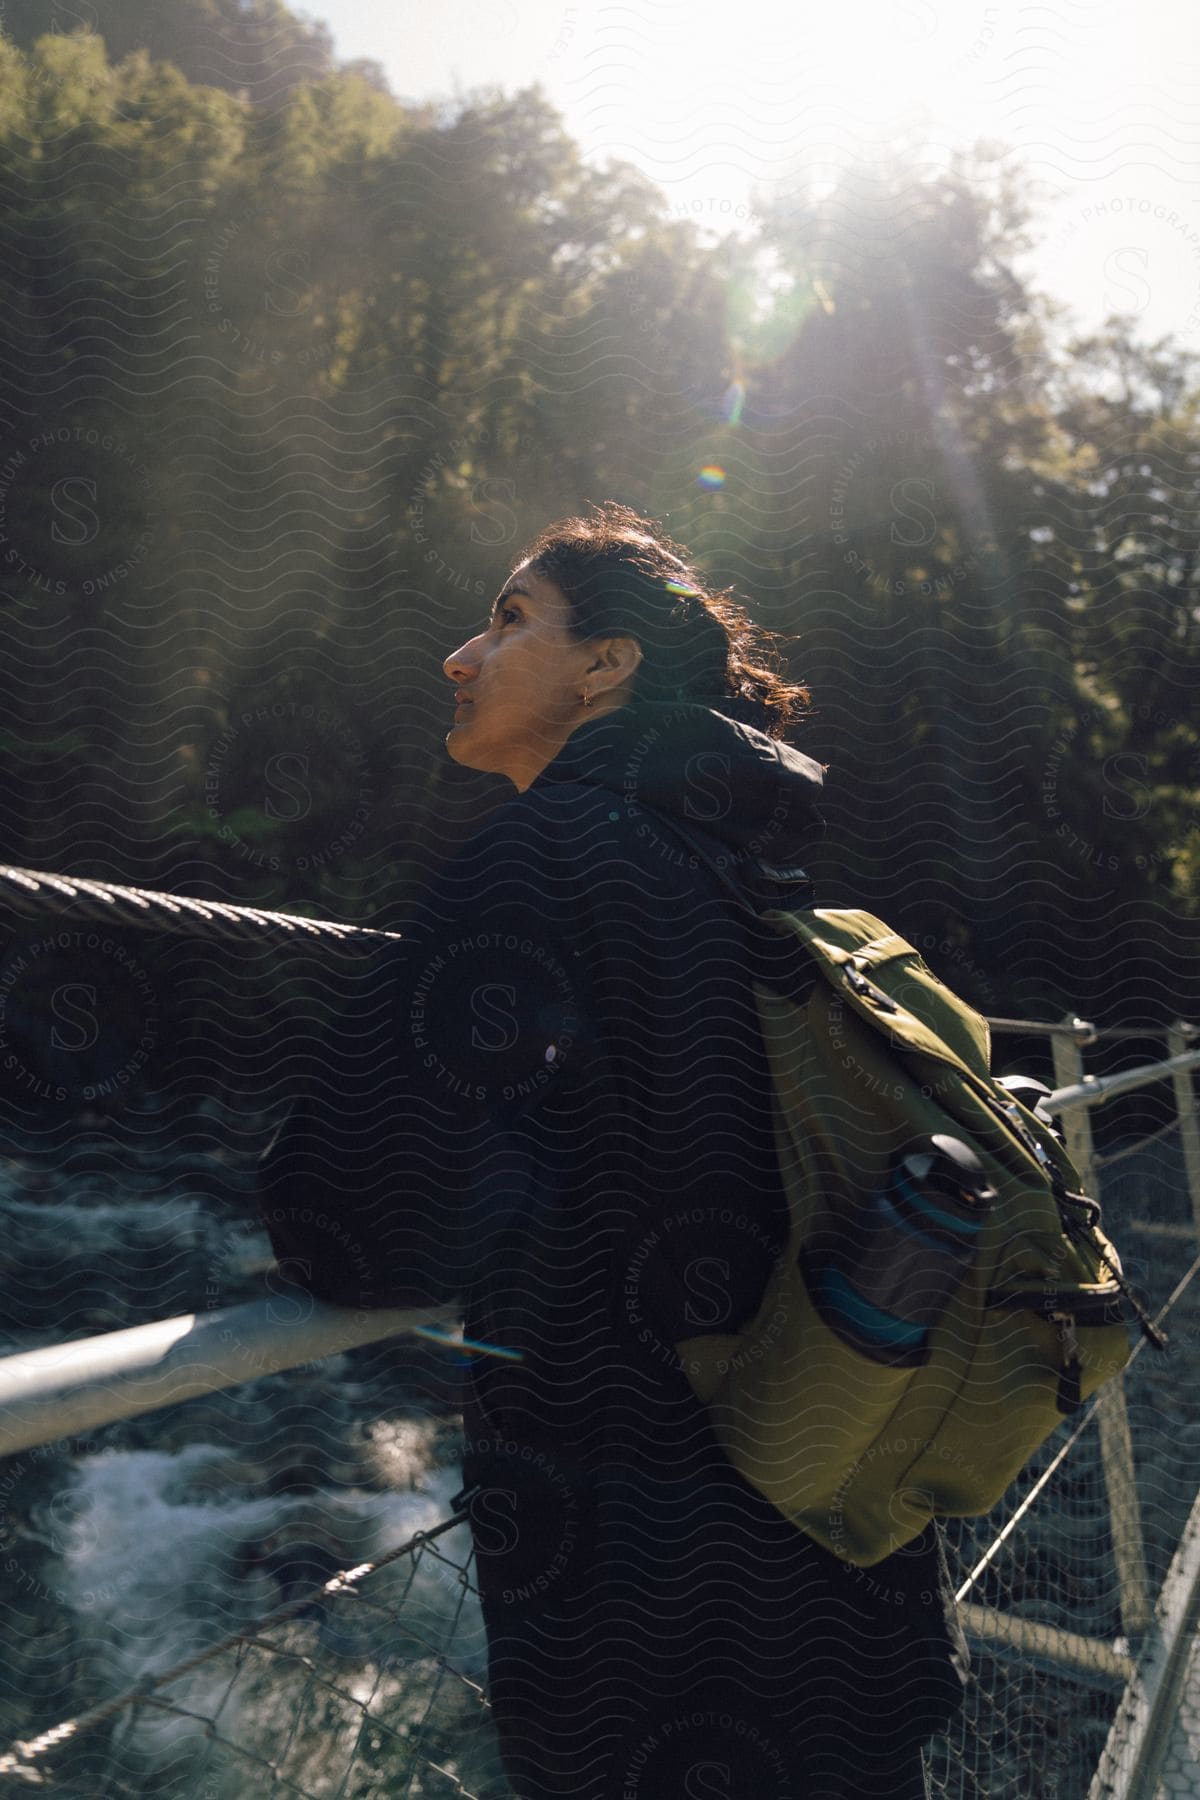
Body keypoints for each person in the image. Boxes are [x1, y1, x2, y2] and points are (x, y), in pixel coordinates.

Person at [257, 502, 970, 1799]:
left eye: (511, 617)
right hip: (841, 1556)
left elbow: (352, 1226)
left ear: (609, 665)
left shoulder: (537, 858)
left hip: (653, 1612)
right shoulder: (754, 876)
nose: (460, 656)